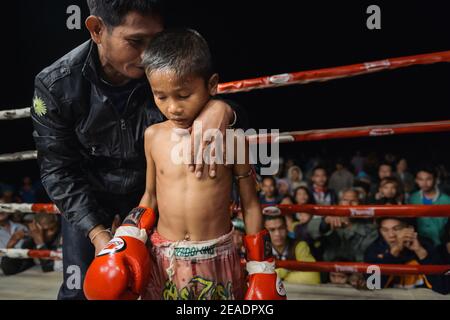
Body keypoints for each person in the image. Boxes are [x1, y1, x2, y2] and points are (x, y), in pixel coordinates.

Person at [31, 0, 245, 300]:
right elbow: (56, 169)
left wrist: (222, 109)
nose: (147, 55)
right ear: (96, 29)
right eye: (135, 42)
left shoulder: (163, 70)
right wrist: (97, 232)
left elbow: (217, 98)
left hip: (152, 199)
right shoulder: (57, 84)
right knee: (81, 291)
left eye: (154, 40)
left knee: (155, 290)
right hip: (88, 201)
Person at [84, 29, 285, 300]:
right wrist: (128, 236)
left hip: (217, 255)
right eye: (161, 96)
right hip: (163, 256)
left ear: (211, 85)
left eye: (184, 95)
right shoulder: (153, 136)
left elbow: (250, 203)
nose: (173, 108)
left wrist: (261, 266)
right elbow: (150, 196)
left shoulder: (232, 139)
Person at [364, 217, 439, 289]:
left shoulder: (425, 245)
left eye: (396, 229)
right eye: (385, 230)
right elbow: (373, 285)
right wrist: (394, 253)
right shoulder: (374, 250)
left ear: (410, 229)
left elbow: (442, 286)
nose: (391, 235)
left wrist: (419, 251)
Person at [308, 189, 378, 263]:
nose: (349, 204)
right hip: (329, 268)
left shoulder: (369, 229)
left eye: (354, 201)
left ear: (360, 204)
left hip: (355, 270)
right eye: (345, 200)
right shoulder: (328, 220)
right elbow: (310, 230)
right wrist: (325, 223)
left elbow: (362, 256)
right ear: (339, 203)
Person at [264, 214, 320, 285]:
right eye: (272, 230)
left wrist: (282, 278)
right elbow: (259, 279)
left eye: (281, 228)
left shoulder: (299, 246)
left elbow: (313, 277)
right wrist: (289, 270)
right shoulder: (262, 249)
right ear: (265, 232)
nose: (277, 234)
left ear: (287, 228)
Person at [408, 167, 450, 246]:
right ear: (416, 180)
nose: (424, 183)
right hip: (419, 242)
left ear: (435, 179)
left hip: (442, 243)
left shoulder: (447, 200)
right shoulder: (412, 198)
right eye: (420, 179)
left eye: (428, 179)